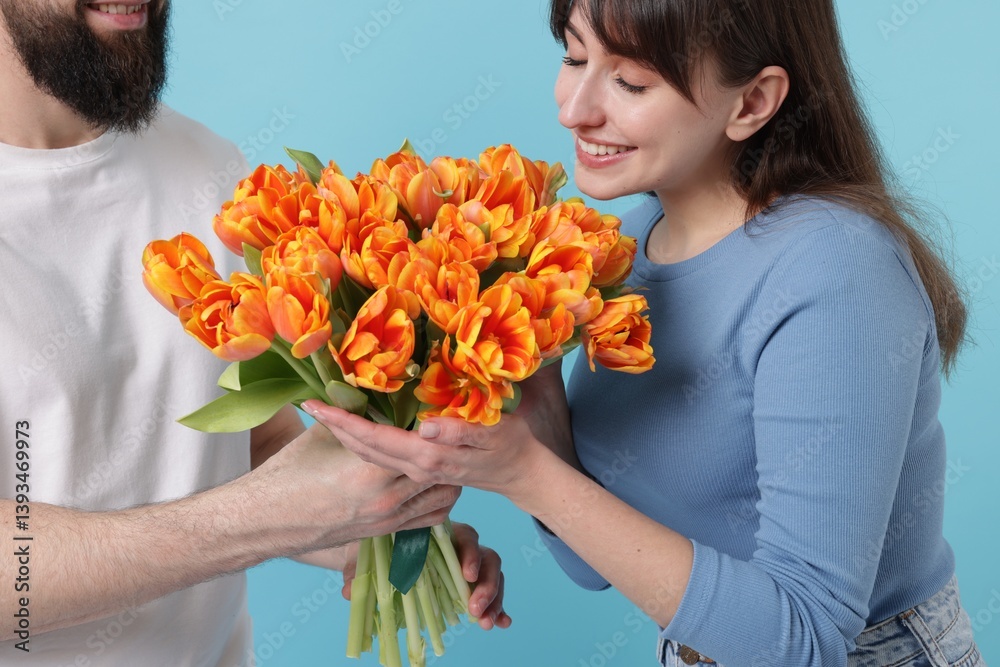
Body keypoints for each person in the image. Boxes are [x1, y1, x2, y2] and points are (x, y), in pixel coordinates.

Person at [307, 0, 985, 665]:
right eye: (574, 57)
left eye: (630, 81)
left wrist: (528, 472)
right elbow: (593, 564)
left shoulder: (833, 267)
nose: (574, 109)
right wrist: (540, 415)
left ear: (752, 102)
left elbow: (804, 642)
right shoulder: (621, 250)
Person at [0, 1, 508, 664]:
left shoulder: (209, 166)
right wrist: (261, 520)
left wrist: (369, 529)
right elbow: (251, 509)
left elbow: (244, 446)